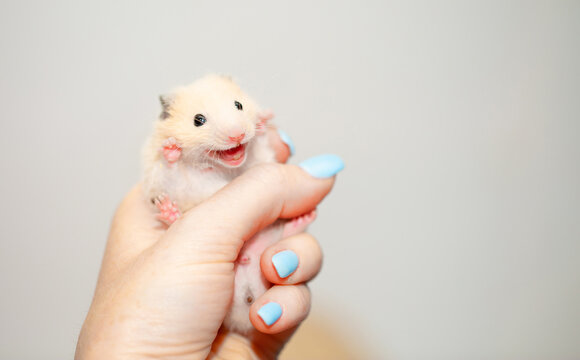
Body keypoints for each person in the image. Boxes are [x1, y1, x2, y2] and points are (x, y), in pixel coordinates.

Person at [75, 130, 344, 359]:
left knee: (273, 243)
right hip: (239, 292)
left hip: (250, 278)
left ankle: (285, 230)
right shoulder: (182, 179)